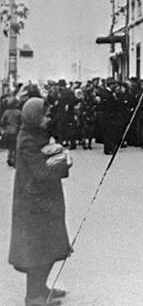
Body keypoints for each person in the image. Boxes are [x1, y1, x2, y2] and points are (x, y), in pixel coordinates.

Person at [9, 98, 72, 306]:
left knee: (50, 248)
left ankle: (41, 289)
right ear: (34, 117)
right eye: (44, 115)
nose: (48, 118)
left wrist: (57, 152)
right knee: (37, 252)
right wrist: (63, 162)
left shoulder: (37, 134)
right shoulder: (27, 139)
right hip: (34, 204)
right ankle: (33, 297)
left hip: (44, 201)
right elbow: (41, 171)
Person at [0, 97, 21, 167]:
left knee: (10, 146)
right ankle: (14, 161)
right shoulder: (18, 112)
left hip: (8, 131)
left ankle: (9, 158)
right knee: (15, 147)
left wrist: (6, 126)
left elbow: (2, 121)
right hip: (16, 131)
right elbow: (21, 122)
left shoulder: (6, 112)